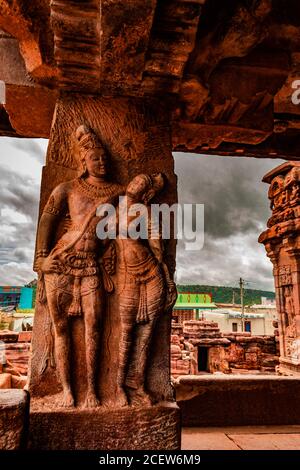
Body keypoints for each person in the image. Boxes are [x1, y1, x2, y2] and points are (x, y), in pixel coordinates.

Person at [35, 124, 123, 408]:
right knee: (61, 330)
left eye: (104, 158)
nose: (101, 162)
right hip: (61, 263)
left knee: (94, 327)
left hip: (91, 266)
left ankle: (93, 391)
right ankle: (67, 390)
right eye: (95, 157)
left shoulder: (116, 191)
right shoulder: (67, 189)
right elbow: (47, 221)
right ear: (82, 161)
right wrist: (41, 258)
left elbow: (137, 198)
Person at [115, 173, 177, 406]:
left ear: (145, 192)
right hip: (127, 275)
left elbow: (156, 243)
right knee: (126, 330)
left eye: (142, 183)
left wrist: (166, 274)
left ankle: (137, 383)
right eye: (136, 180)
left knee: (146, 333)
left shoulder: (146, 212)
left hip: (151, 273)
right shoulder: (114, 208)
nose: (136, 183)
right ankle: (118, 384)